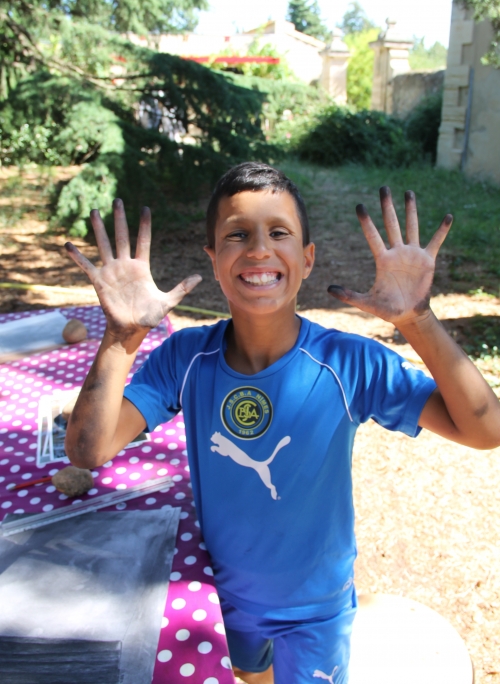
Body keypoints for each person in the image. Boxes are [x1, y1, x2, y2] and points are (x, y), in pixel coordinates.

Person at [65, 162, 500, 684]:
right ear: (214, 258)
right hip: (222, 594)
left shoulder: (349, 363)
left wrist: (418, 320)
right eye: (237, 235)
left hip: (317, 610)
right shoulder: (186, 358)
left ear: (307, 258)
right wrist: (120, 338)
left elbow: (485, 430)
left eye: (279, 233)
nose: (258, 250)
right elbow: (88, 450)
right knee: (251, 677)